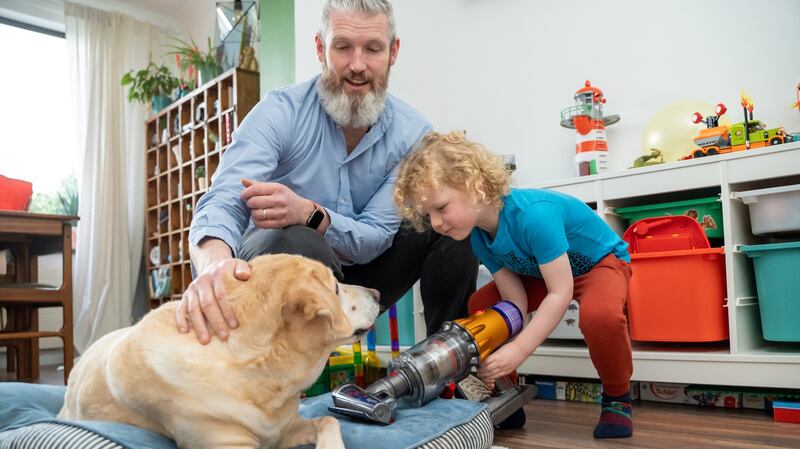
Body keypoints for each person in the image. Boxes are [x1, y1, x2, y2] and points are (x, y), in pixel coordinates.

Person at [177, 0, 477, 345]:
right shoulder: (280, 112)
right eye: (343, 47)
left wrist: (310, 214)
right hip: (277, 269)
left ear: (393, 52)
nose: (358, 65)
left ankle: (448, 362)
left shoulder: (412, 134)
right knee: (296, 238)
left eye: (373, 49)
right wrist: (215, 265)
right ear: (321, 48)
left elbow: (376, 235)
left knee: (452, 219)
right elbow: (223, 201)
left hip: (362, 278)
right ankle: (288, 374)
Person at [393, 131, 634, 438]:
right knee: (482, 306)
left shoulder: (534, 216)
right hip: (539, 272)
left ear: (475, 186)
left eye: (441, 208)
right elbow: (514, 305)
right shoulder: (478, 237)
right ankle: (507, 395)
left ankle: (617, 397)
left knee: (600, 317)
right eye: (428, 215)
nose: (436, 223)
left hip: (600, 263)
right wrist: (499, 360)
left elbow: (560, 292)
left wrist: (519, 349)